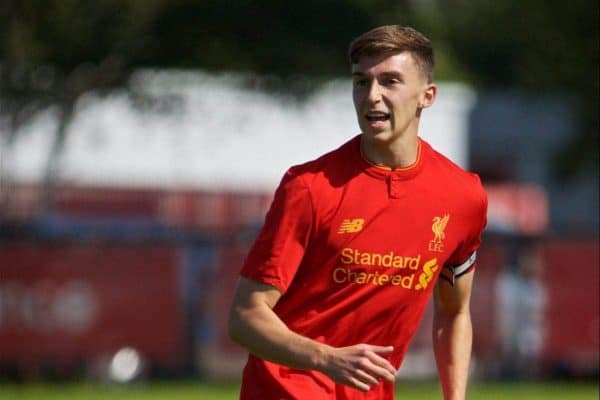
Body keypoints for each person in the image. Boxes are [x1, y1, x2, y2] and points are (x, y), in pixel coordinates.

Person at [228, 25, 487, 400]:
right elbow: (244, 316)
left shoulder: (464, 196)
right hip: (286, 389)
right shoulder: (310, 187)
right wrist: (325, 358)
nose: (372, 96)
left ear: (426, 96)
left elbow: (454, 314)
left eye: (390, 82)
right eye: (361, 82)